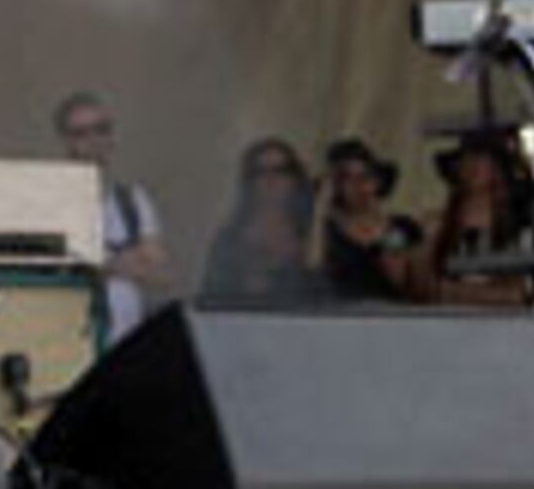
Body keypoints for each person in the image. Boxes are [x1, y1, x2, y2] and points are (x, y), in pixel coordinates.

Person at [56, 90, 173, 341]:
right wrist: (128, 259)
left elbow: (161, 273)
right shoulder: (54, 201)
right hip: (71, 342)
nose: (94, 141)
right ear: (66, 142)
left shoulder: (131, 201)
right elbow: (55, 268)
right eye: (81, 133)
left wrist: (103, 263)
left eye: (102, 130)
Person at [195, 136, 325, 305]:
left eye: (280, 171)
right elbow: (212, 295)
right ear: (249, 181)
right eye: (261, 172)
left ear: (294, 178)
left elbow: (321, 291)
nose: (271, 180)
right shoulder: (231, 237)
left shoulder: (310, 231)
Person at [423, 136, 534, 309]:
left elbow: (520, 294)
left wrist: (456, 293)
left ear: (497, 168)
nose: (472, 164)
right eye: (466, 158)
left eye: (481, 157)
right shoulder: (438, 225)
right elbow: (428, 289)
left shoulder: (517, 225)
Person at [314, 136, 426, 302]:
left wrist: (383, 227)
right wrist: (321, 209)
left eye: (365, 176)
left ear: (378, 180)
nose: (359, 186)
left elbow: (407, 282)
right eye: (348, 179)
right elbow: (313, 272)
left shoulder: (403, 226)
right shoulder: (328, 232)